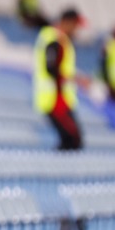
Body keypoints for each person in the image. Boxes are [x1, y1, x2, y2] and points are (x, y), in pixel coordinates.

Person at [34, 8, 87, 151]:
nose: (77, 30)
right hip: (55, 100)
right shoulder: (54, 39)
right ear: (67, 22)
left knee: (71, 142)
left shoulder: (59, 39)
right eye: (75, 25)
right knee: (73, 140)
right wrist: (76, 79)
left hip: (60, 99)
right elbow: (51, 69)